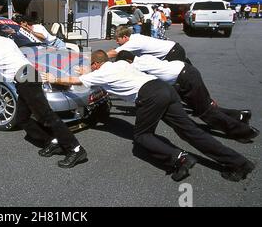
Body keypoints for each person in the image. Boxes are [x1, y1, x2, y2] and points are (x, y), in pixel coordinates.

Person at [42, 50, 255, 182]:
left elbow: (76, 81)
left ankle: (180, 159)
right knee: (190, 131)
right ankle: (238, 163)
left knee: (142, 136)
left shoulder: (99, 72)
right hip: (164, 89)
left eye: (91, 65)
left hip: (150, 97)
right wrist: (85, 73)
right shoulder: (121, 64)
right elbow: (91, 76)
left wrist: (55, 77)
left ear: (96, 64)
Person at [0, 21, 87, 168]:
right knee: (22, 118)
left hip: (24, 79)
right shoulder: (8, 41)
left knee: (46, 116)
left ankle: (76, 149)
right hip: (28, 74)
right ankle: (52, 141)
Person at [115, 51, 259, 143]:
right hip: (186, 71)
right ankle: (240, 115)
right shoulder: (144, 57)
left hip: (184, 78)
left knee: (205, 112)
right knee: (201, 107)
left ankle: (243, 131)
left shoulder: (137, 66)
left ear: (127, 61)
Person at [107, 26, 191, 63]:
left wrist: (95, 58)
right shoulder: (135, 37)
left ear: (125, 37)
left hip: (173, 53)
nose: (117, 42)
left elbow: (113, 53)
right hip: (174, 49)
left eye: (118, 40)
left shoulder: (133, 43)